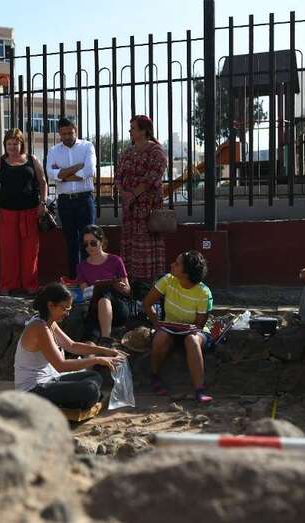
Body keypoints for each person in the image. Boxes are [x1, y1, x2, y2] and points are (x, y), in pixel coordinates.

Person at [14, 282, 125, 410]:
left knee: (95, 377)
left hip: (51, 380)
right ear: (51, 305)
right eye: (64, 308)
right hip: (33, 391)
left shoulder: (49, 323)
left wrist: (105, 350)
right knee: (91, 389)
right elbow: (61, 366)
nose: (67, 313)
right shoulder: (39, 328)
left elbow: (72, 345)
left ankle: (75, 401)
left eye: (69, 309)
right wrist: (98, 359)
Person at [142, 251, 214, 403]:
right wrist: (156, 323)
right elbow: (147, 303)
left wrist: (188, 329)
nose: (172, 265)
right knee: (160, 337)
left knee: (192, 340)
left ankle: (199, 390)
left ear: (186, 272)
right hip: (169, 329)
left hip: (194, 332)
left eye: (177, 264)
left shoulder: (203, 292)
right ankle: (154, 377)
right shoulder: (168, 280)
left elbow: (199, 324)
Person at [0, 128, 48, 295]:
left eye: (16, 143)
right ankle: (8, 285)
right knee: (8, 250)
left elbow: (43, 182)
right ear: (5, 145)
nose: (12, 147)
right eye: (9, 143)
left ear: (21, 144)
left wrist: (42, 203)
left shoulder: (32, 160)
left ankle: (30, 285)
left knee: (31, 251)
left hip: (30, 212)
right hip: (7, 213)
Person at [116, 115, 169, 291]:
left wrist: (133, 194)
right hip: (130, 210)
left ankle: (150, 286)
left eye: (133, 128)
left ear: (143, 130)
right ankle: (131, 283)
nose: (130, 131)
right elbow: (119, 177)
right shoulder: (127, 152)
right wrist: (124, 193)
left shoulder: (156, 151)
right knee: (130, 244)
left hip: (148, 208)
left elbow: (153, 177)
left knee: (147, 244)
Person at [46, 117, 97, 278]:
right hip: (65, 202)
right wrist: (76, 168)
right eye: (64, 134)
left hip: (84, 199)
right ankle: (75, 279)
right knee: (71, 243)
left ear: (76, 130)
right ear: (59, 133)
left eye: (70, 133)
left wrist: (64, 174)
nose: (67, 136)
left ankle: (89, 278)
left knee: (88, 241)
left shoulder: (87, 146)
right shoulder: (54, 150)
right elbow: (51, 174)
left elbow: (89, 170)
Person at [76, 225, 131, 344]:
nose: (89, 247)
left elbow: (128, 291)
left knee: (104, 294)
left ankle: (106, 339)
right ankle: (91, 355)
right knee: (89, 340)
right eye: (86, 244)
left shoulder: (115, 260)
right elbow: (85, 294)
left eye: (93, 243)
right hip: (95, 309)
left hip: (117, 308)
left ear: (101, 241)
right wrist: (99, 286)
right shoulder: (82, 266)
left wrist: (120, 287)